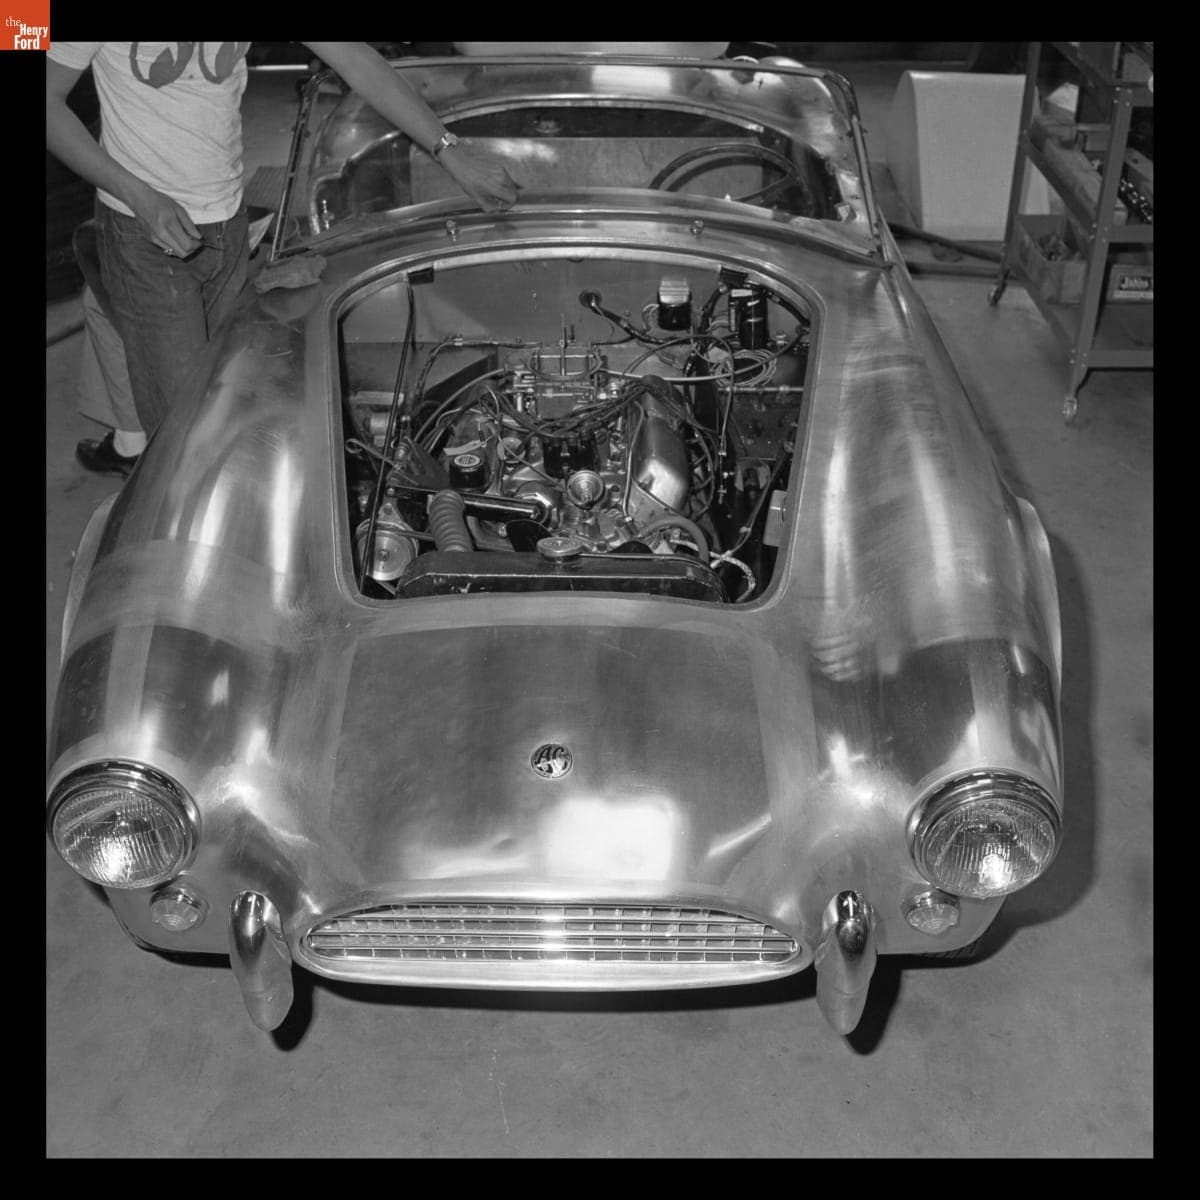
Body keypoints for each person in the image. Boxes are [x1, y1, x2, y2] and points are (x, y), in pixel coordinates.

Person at [46, 42, 519, 467]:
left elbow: (355, 58)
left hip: (225, 222)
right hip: (143, 234)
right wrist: (138, 196)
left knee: (229, 401)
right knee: (186, 440)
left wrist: (449, 151)